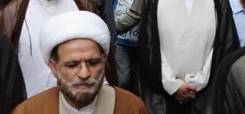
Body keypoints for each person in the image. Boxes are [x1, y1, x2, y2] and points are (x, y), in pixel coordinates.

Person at [138, 0, 239, 113]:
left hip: (206, 96)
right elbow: (148, 46)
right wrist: (173, 85)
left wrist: (197, 83)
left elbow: (224, 45)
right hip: (163, 96)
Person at [12, 11, 148, 114]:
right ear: (53, 67)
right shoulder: (28, 111)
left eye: (93, 63)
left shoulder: (132, 108)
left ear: (104, 61)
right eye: (72, 65)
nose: (84, 74)